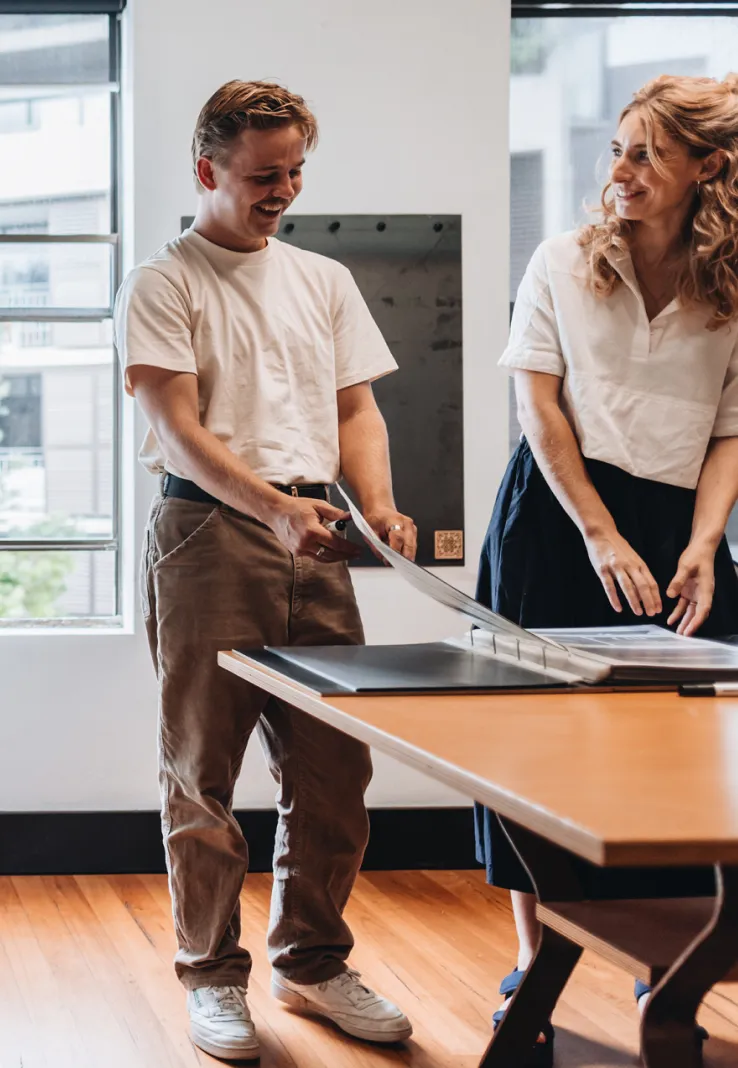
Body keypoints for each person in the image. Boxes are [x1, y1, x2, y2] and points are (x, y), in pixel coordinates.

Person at [114, 80, 417, 1062]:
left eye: (293, 172)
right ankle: (210, 977)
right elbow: (179, 430)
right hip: (208, 536)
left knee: (336, 769)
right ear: (207, 171)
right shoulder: (165, 281)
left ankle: (313, 963)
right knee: (202, 772)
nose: (282, 190)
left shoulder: (323, 278)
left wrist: (376, 505)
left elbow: (356, 411)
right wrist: (277, 509)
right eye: (261, 176)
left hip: (315, 534)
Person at [476, 73, 738, 1066]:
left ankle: (667, 960)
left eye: (645, 153)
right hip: (556, 515)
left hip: (682, 522)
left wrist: (705, 545)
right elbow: (539, 412)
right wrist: (598, 532)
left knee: (685, 751)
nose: (618, 171)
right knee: (532, 744)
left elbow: (731, 432)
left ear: (705, 168)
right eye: (618, 149)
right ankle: (532, 965)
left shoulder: (733, 287)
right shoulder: (560, 261)